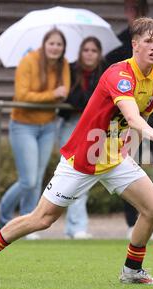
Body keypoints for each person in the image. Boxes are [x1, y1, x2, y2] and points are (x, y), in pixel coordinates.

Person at [0, 17, 153, 285]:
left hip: (114, 158)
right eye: (148, 41)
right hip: (84, 156)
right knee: (42, 219)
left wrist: (130, 150)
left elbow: (133, 126)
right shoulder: (119, 75)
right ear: (134, 45)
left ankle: (132, 271)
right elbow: (134, 117)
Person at [106, 0, 153, 240]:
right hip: (127, 121)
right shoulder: (118, 44)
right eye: (131, 8)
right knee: (131, 166)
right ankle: (133, 222)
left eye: (139, 8)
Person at [0, 29, 70, 240]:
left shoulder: (64, 64)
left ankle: (26, 221)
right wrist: (51, 95)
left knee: (38, 178)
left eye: (59, 44)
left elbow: (65, 91)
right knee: (28, 180)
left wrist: (52, 96)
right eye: (52, 43)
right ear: (44, 43)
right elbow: (22, 95)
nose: (55, 48)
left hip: (48, 125)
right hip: (23, 124)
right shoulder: (28, 61)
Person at [57, 37, 107, 239]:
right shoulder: (69, 70)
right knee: (70, 175)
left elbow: (99, 102)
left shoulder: (104, 73)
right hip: (71, 125)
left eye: (93, 50)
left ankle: (77, 226)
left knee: (84, 175)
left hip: (94, 128)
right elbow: (73, 100)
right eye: (85, 49)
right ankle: (73, 226)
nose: (89, 53)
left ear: (99, 53)